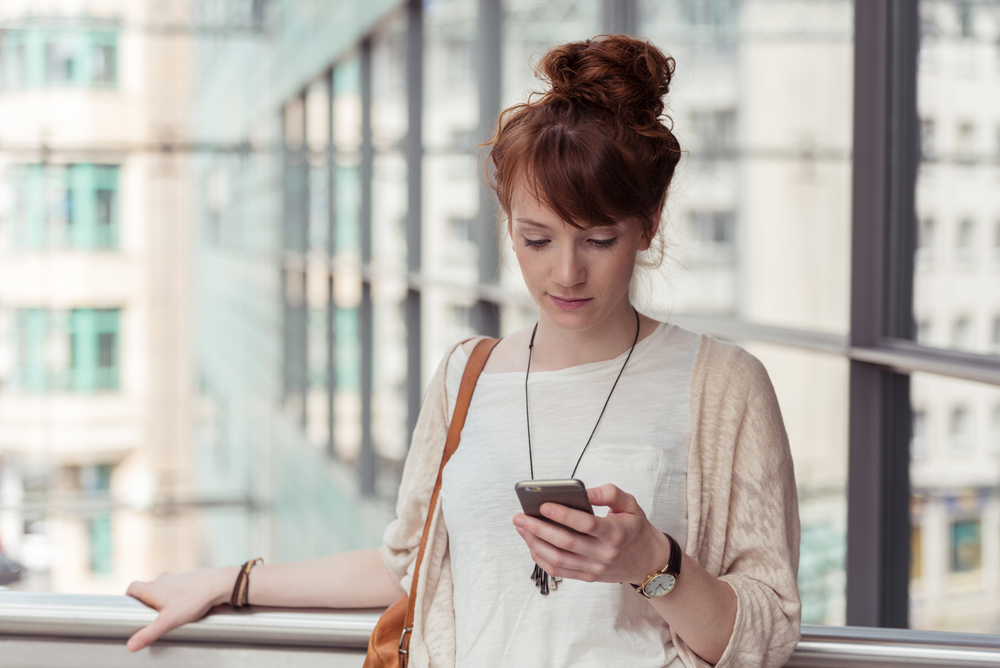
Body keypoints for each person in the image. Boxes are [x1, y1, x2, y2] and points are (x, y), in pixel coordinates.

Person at [125, 34, 800, 668]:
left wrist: (654, 564)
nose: (566, 272)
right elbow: (408, 561)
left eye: (597, 240)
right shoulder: (468, 373)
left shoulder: (723, 385)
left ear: (648, 224)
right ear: (508, 225)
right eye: (537, 240)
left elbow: (767, 631)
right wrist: (232, 581)